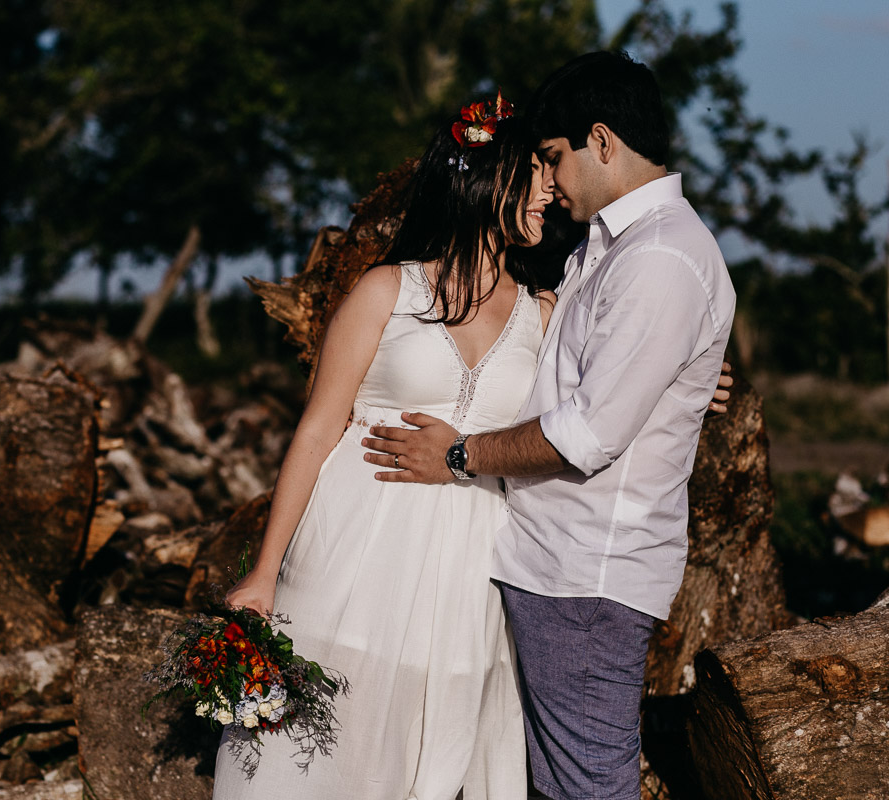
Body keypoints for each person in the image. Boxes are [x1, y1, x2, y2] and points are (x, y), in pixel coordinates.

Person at [362, 52, 737, 800]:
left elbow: (587, 433)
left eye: (552, 158)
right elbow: (588, 372)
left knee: (585, 789)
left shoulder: (661, 255)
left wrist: (460, 454)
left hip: (586, 576)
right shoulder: (615, 245)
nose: (548, 180)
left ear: (601, 141)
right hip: (553, 565)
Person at [214, 92, 553, 799]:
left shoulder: (546, 311)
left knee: (445, 738)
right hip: (361, 550)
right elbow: (318, 428)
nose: (551, 188)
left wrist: (700, 381)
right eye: (537, 169)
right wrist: (265, 570)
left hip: (475, 564)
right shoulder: (385, 290)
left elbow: (615, 385)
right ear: (489, 177)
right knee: (337, 733)